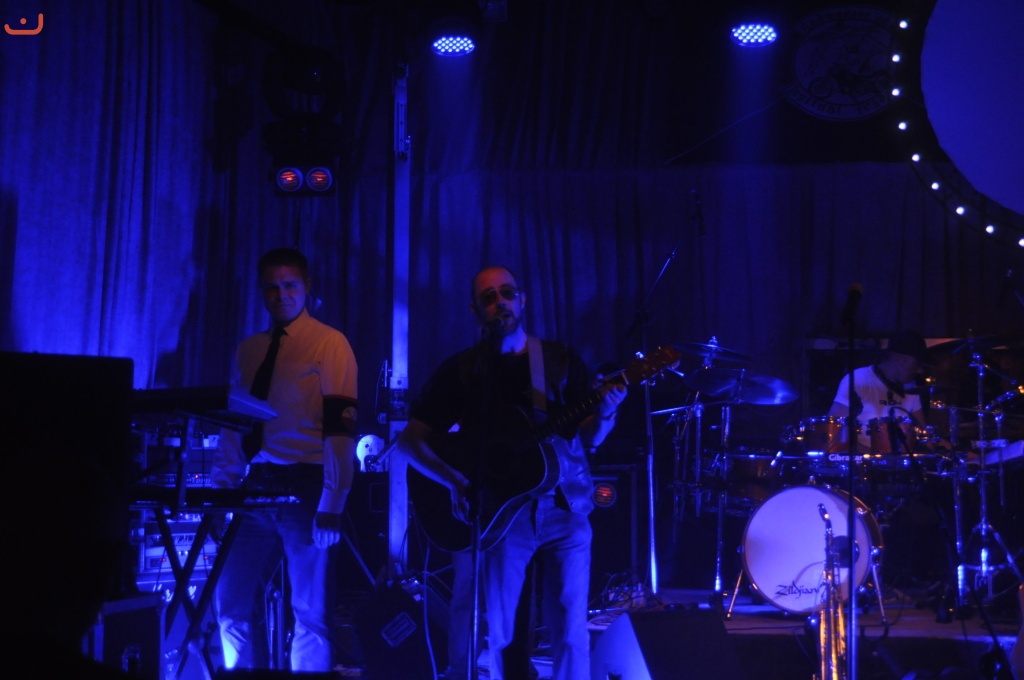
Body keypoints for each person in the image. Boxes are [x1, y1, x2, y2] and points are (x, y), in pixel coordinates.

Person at [397, 265, 627, 680]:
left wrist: (607, 411)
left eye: (507, 293)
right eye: (488, 297)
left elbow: (589, 437)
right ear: (476, 310)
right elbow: (411, 441)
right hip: (502, 517)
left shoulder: (558, 361)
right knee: (505, 637)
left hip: (565, 505)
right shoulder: (465, 370)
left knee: (571, 632)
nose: (499, 302)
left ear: (522, 300)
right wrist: (454, 480)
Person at [211, 247, 359, 671]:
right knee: (230, 601)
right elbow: (234, 425)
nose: (281, 295)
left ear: (307, 287)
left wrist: (332, 503)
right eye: (272, 288)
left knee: (311, 613)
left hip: (306, 484)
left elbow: (340, 429)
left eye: (289, 285)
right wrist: (222, 491)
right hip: (256, 485)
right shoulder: (250, 349)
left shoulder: (329, 343)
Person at [828, 329, 932, 452]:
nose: (920, 370)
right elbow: (834, 433)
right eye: (917, 364)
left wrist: (948, 450)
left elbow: (923, 434)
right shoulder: (858, 380)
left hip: (902, 461)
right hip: (864, 460)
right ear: (901, 359)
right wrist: (875, 457)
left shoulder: (911, 387)